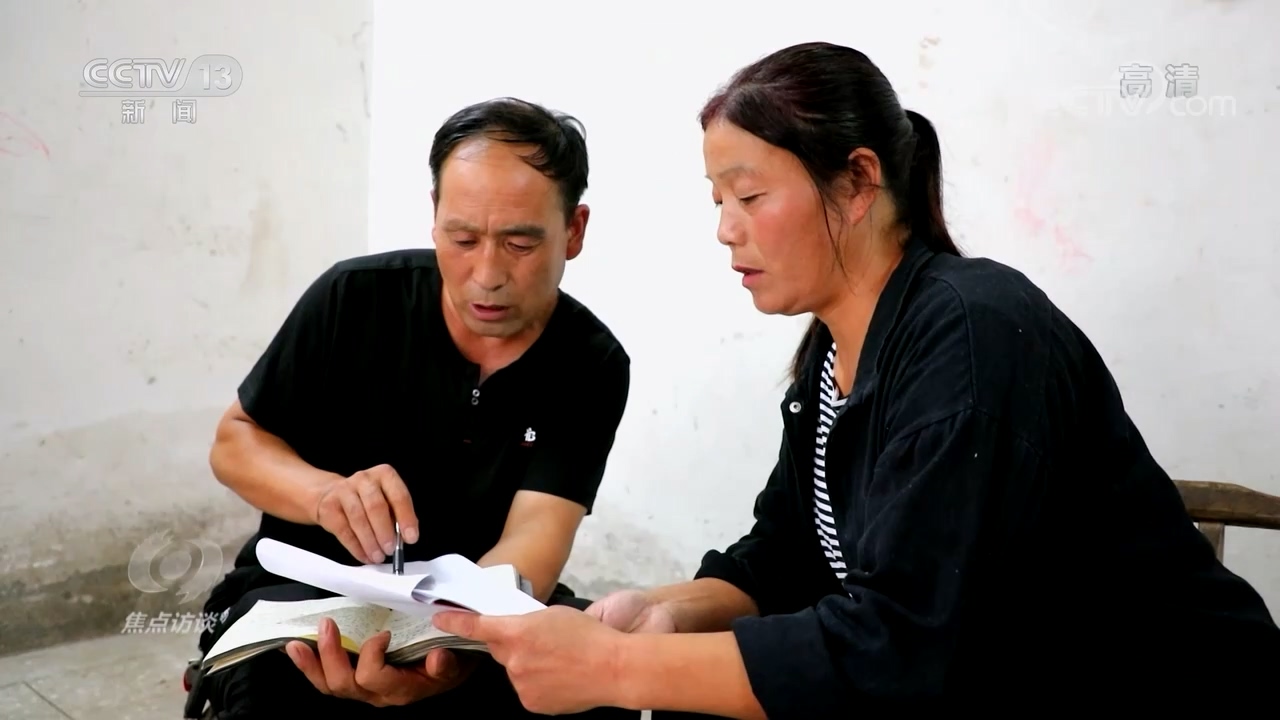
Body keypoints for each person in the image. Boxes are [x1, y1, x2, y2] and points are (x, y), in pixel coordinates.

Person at [430, 41, 1280, 717]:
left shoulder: (971, 334)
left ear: (859, 182)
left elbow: (900, 645)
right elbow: (785, 556)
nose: (725, 230)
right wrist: (662, 613)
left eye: (750, 196)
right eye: (717, 200)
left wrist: (619, 669)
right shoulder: (834, 358)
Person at [191, 97, 638, 719]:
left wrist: (449, 643)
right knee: (278, 681)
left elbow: (536, 535)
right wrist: (325, 495)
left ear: (575, 230)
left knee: (600, 683)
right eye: (463, 238)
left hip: (473, 615)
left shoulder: (588, 363)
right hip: (305, 595)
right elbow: (235, 442)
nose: (487, 274)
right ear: (434, 217)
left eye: (519, 243)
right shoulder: (354, 299)